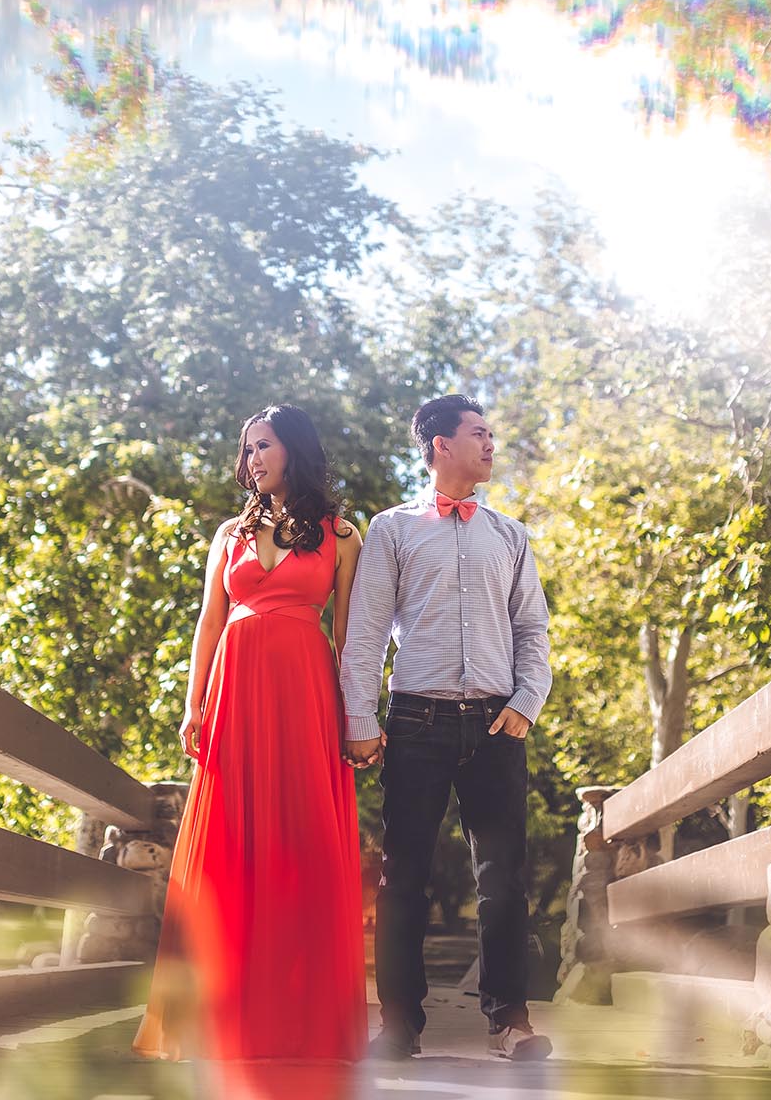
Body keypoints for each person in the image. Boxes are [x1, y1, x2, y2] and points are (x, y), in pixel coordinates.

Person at [133, 404, 367, 1087]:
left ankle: (303, 1019)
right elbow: (209, 621)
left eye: (262, 446)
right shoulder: (228, 534)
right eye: (246, 450)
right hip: (235, 698)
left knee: (305, 846)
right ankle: (219, 1014)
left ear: (292, 449)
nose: (251, 459)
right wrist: (192, 702)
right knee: (230, 846)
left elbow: (351, 640)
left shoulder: (343, 534)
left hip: (305, 699)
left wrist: (358, 721)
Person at [338, 394, 555, 1062]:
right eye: (479, 433)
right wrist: (360, 718)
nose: (491, 444)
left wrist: (528, 699)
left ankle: (509, 1021)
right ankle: (398, 1024)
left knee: (504, 879)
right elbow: (368, 629)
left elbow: (532, 627)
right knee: (404, 878)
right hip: (415, 722)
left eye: (491, 434)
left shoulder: (510, 535)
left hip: (496, 725)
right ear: (439, 444)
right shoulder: (393, 529)